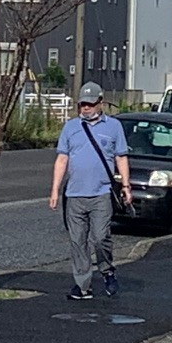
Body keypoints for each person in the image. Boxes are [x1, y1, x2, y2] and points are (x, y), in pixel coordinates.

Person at [48, 81, 131, 300]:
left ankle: (107, 270)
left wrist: (126, 186)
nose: (86, 108)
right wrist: (55, 190)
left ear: (100, 103)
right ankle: (83, 285)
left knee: (101, 236)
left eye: (90, 104)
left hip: (101, 193)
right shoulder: (70, 127)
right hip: (74, 194)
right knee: (77, 241)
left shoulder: (113, 127)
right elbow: (62, 159)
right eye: (82, 104)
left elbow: (121, 157)